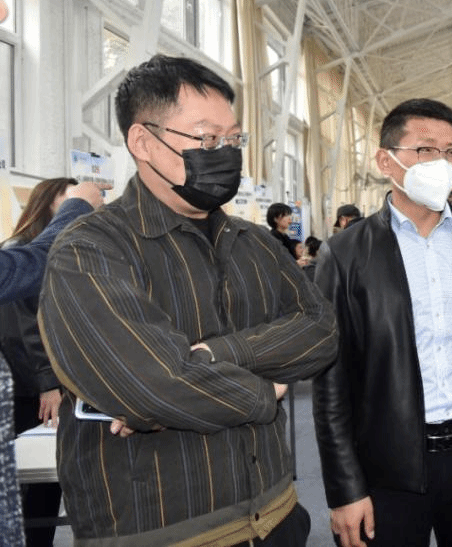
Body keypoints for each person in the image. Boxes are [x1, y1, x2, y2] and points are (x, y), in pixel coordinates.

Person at [38, 54, 339, 546]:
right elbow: (155, 386)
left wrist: (220, 354)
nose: (225, 153)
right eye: (206, 139)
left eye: (233, 140)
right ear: (143, 142)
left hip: (277, 513)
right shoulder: (90, 250)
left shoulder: (255, 243)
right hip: (164, 531)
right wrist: (268, 391)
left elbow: (321, 331)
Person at [313, 98, 452, 547]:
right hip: (388, 466)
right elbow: (331, 383)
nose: (442, 163)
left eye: (451, 152)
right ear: (386, 161)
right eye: (426, 150)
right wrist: (344, 488)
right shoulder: (344, 255)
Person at [0, 179, 104, 547]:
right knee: (31, 481)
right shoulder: (19, 251)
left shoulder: (65, 253)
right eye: (68, 197)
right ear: (48, 203)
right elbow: (26, 327)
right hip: (31, 387)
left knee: (51, 477)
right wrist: (47, 383)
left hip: (54, 382)